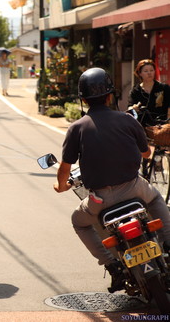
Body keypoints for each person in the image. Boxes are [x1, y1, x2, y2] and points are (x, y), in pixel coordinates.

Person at [54, 67, 170, 293]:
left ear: (83, 99)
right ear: (110, 96)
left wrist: (60, 186)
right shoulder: (127, 120)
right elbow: (146, 154)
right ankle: (168, 243)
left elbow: (64, 167)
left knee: (78, 222)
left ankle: (111, 265)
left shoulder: (76, 128)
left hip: (100, 200)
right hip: (135, 189)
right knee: (156, 199)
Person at [128, 59, 170, 127]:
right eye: (146, 71)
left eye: (151, 70)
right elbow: (130, 107)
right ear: (140, 73)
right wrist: (134, 108)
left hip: (161, 127)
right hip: (142, 127)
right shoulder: (135, 91)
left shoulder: (164, 88)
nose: (149, 73)